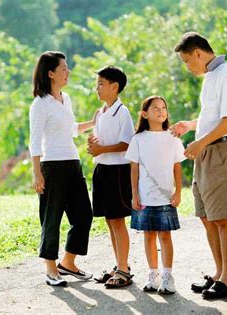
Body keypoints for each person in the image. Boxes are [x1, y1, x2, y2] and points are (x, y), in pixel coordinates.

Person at [170, 32, 227, 299]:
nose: (187, 67)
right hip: (207, 152)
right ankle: (218, 274)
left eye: (187, 61)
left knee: (223, 218)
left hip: (223, 151)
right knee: (206, 216)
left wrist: (199, 142)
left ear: (199, 54)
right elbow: (213, 117)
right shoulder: (211, 77)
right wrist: (190, 126)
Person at [29, 51, 96, 286]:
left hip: (72, 163)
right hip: (51, 166)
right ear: (50, 73)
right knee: (52, 218)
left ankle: (68, 263)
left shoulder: (66, 99)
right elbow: (35, 140)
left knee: (83, 216)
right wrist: (37, 173)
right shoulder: (40, 104)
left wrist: (94, 122)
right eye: (64, 69)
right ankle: (50, 269)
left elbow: (71, 129)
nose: (68, 72)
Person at [125, 95, 186, 295]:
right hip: (144, 197)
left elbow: (177, 167)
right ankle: (154, 274)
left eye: (163, 108)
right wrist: (134, 194)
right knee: (149, 236)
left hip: (166, 197)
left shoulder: (173, 137)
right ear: (144, 114)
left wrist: (178, 191)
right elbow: (133, 169)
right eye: (155, 108)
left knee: (165, 236)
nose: (160, 111)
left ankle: (168, 277)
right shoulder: (138, 139)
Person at [88, 66, 135, 288]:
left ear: (115, 87)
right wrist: (93, 146)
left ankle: (124, 270)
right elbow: (99, 142)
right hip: (102, 170)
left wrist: (102, 150)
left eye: (101, 84)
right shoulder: (101, 112)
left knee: (117, 220)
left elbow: (127, 143)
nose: (97, 88)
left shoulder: (122, 112)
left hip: (117, 171)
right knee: (109, 220)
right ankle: (119, 265)